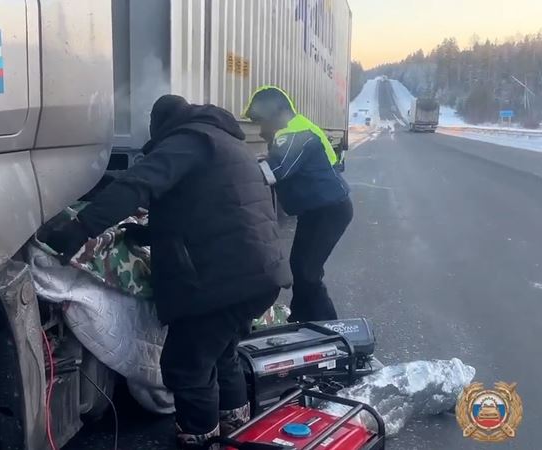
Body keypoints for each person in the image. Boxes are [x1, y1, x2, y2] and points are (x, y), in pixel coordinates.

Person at [42, 95, 290, 448]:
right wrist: (148, 233)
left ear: (162, 126)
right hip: (260, 274)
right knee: (222, 355)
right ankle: (235, 432)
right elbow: (211, 208)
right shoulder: (225, 142)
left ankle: (200, 441)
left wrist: (80, 228)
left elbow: (136, 185)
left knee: (187, 367)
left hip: (222, 281)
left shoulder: (189, 140)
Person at [243, 86, 353, 323]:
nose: (261, 131)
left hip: (329, 211)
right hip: (318, 210)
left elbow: (275, 170)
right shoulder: (299, 130)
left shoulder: (294, 132)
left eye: (262, 122)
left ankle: (328, 326)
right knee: (300, 268)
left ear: (275, 114)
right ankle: (301, 319)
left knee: (308, 273)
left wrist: (238, 170)